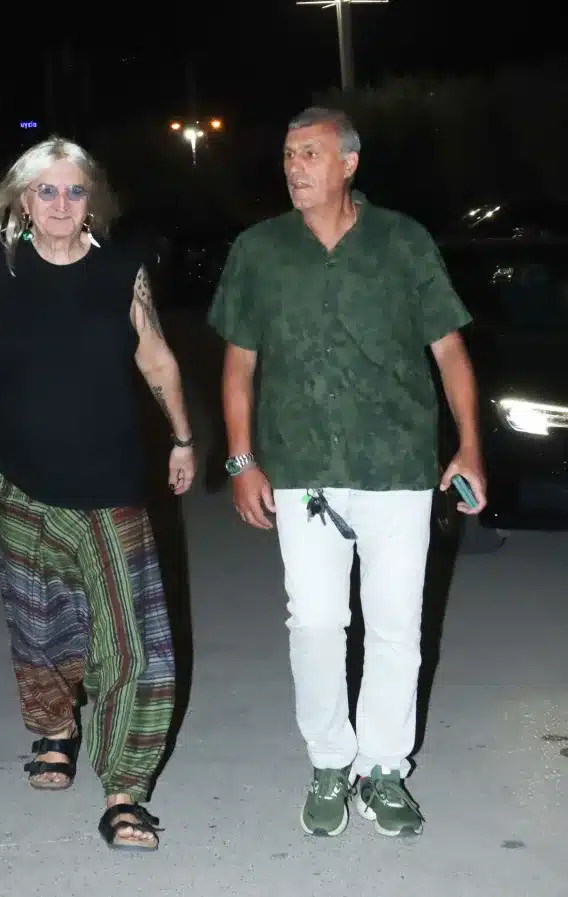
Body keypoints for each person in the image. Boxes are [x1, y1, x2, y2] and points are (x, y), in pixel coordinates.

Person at [208, 107, 487, 838]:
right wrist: (241, 459)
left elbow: (450, 350)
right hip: (302, 469)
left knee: (396, 625)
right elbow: (239, 364)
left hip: (397, 465)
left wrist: (469, 445)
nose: (294, 167)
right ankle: (330, 761)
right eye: (288, 154)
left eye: (310, 153)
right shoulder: (260, 250)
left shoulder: (403, 241)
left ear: (349, 164)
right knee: (315, 622)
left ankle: (384, 769)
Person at [0, 136, 196, 852]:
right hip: (17, 479)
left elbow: (157, 358)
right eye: (46, 190)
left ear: (91, 201)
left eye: (74, 191)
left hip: (111, 481)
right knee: (41, 623)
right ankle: (55, 728)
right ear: (24, 199)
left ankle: (125, 792)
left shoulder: (122, 271)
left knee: (132, 640)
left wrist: (182, 437)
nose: (60, 204)